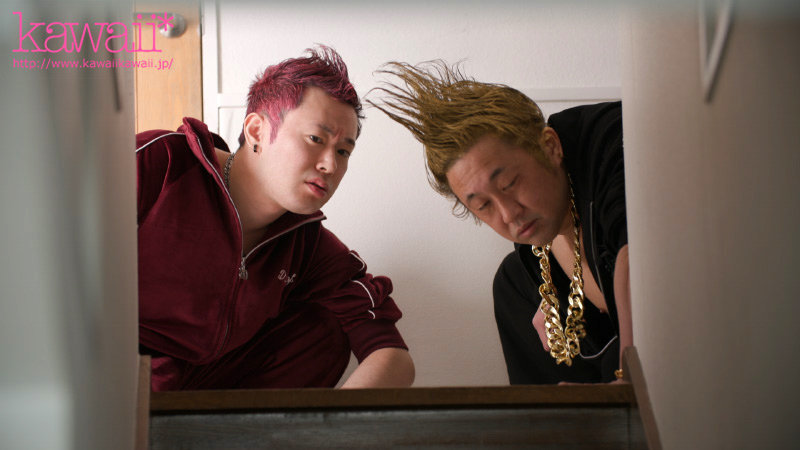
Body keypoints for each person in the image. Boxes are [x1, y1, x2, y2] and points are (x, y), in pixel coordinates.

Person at [136, 46, 414, 391]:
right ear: (256, 131)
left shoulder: (308, 245)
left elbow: (392, 355)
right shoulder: (161, 163)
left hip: (210, 400)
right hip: (118, 383)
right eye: (316, 139)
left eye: (343, 151)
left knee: (326, 325)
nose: (330, 164)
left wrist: (336, 422)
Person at [370, 61, 630, 384]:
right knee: (512, 282)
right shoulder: (527, 277)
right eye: (483, 206)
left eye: (509, 184)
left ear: (550, 146)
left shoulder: (612, 140)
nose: (508, 214)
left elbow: (636, 251)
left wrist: (627, 383)